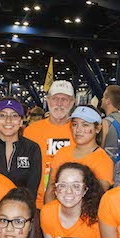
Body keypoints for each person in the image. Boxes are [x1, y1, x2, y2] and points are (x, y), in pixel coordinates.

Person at [24, 80, 76, 208]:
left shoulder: (79, 132)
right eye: (55, 99)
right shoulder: (31, 131)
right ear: (47, 100)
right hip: (36, 202)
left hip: (71, 202)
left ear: (72, 102)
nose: (59, 104)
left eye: (64, 99)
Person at [47, 106, 114, 199]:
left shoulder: (103, 161)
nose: (78, 130)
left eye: (85, 125)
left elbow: (97, 198)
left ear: (97, 129)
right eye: (74, 124)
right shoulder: (62, 152)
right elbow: (50, 188)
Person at [40, 162, 102, 238]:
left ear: (85, 190)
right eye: (63, 185)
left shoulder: (96, 217)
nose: (69, 191)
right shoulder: (47, 212)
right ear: (56, 190)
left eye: (76, 186)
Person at [0, 98, 41, 198]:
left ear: (21, 121)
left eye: (14, 115)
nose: (8, 120)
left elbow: (32, 189)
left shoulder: (32, 149)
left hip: (21, 209)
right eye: (2, 115)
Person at [99, 85, 120, 162]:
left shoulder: (105, 123)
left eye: (104, 97)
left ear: (108, 101)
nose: (102, 99)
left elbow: (99, 148)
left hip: (106, 165)